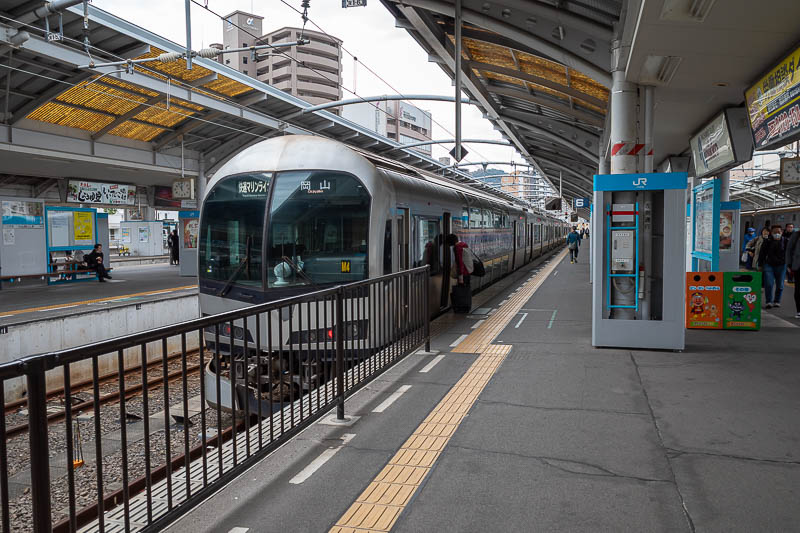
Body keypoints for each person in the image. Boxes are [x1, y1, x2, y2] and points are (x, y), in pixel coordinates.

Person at [758, 225, 786, 309]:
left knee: (780, 284)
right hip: (768, 265)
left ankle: (777, 301)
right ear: (771, 233)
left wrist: (789, 264)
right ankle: (768, 301)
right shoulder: (767, 241)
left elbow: (789, 253)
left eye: (779, 232)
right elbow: (762, 253)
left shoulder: (786, 241)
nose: (777, 234)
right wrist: (760, 265)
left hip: (781, 265)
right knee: (769, 284)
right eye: (775, 232)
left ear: (782, 232)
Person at [446, 234, 472, 313]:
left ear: (451, 241)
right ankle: (466, 306)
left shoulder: (457, 248)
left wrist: (460, 277)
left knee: (461, 291)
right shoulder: (464, 245)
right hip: (467, 271)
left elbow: (460, 262)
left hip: (463, 273)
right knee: (466, 290)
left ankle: (462, 307)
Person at [786, 227, 800, 319]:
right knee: (799, 289)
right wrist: (789, 264)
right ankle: (799, 310)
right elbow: (789, 249)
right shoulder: (797, 234)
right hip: (798, 266)